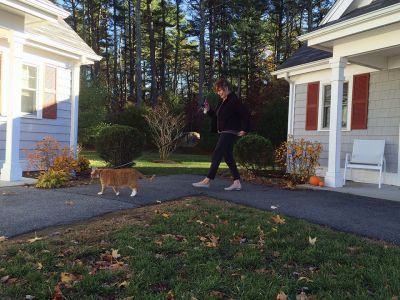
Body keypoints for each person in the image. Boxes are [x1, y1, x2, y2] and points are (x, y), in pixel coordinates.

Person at [192, 78, 250, 191]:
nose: (219, 93)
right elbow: (216, 116)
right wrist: (208, 110)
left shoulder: (234, 100)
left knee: (217, 153)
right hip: (224, 131)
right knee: (228, 156)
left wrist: (245, 128)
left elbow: (246, 114)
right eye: (217, 91)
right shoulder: (223, 101)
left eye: (220, 90)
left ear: (226, 87)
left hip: (230, 130)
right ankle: (237, 182)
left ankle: (207, 180)